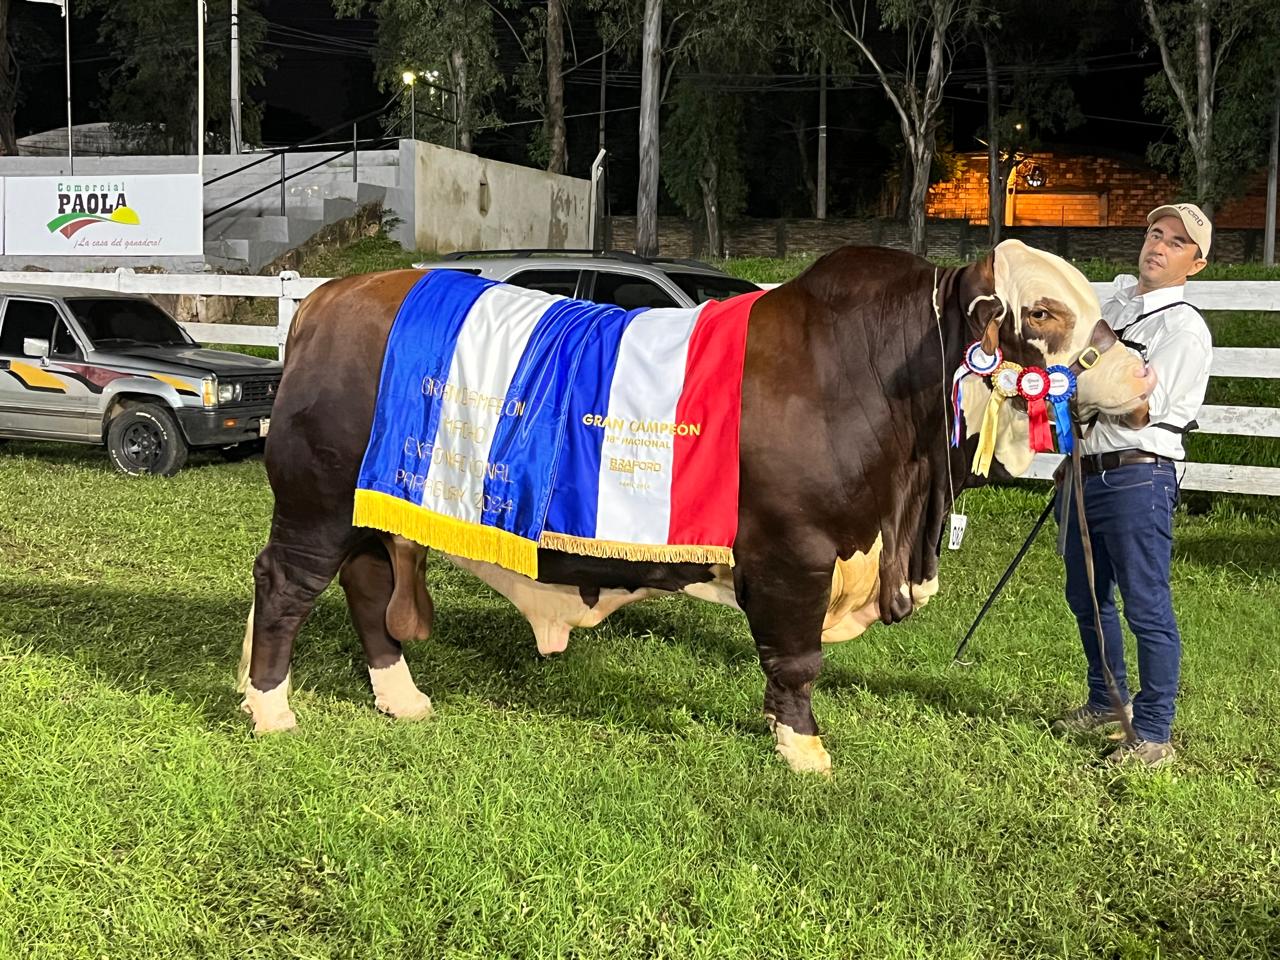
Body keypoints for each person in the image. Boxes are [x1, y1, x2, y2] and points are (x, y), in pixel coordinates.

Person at [1051, 202, 1214, 768]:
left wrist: (1078, 389)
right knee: (1087, 598)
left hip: (1137, 476)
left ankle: (1153, 731)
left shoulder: (1183, 329)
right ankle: (1105, 700)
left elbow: (1143, 410)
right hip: (1082, 473)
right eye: (1155, 233)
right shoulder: (1113, 304)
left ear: (1195, 264)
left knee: (1146, 606)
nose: (1159, 246)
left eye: (1176, 243)